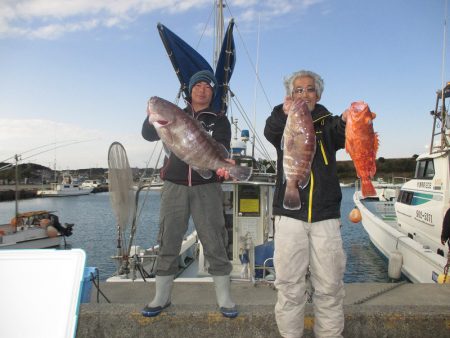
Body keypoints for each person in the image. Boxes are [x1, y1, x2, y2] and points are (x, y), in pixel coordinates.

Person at [140, 70, 238, 318]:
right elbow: (148, 134)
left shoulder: (219, 118)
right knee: (168, 239)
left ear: (213, 92)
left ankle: (224, 298)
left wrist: (226, 165)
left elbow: (222, 147)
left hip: (208, 187)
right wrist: (150, 116)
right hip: (175, 184)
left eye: (208, 86)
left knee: (215, 238)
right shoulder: (175, 115)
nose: (202, 89)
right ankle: (161, 297)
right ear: (189, 90)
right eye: (198, 85)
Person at [264, 70, 348, 338]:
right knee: (289, 287)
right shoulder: (282, 122)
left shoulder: (329, 124)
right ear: (291, 95)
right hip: (289, 218)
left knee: (330, 287)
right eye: (298, 90)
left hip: (325, 217)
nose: (304, 94)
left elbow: (344, 133)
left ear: (318, 95)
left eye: (309, 89)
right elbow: (271, 130)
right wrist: (283, 111)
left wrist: (349, 119)